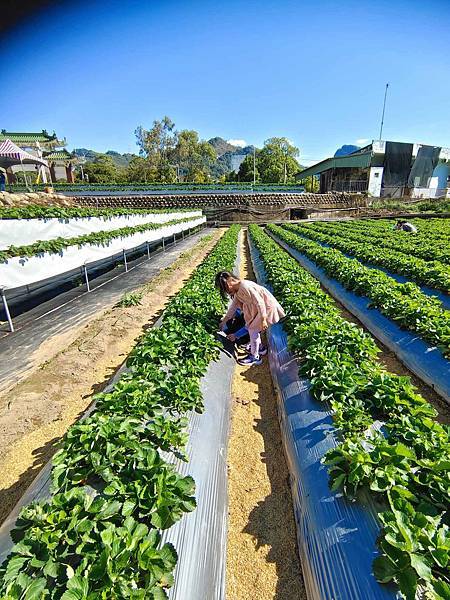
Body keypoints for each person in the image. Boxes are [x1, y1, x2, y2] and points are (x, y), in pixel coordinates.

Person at [215, 271, 285, 366]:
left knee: (253, 330)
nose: (227, 291)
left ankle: (255, 357)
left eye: (226, 287)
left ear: (230, 280)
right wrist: (224, 321)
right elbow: (233, 307)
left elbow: (260, 302)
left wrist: (263, 319)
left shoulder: (245, 286)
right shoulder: (238, 291)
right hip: (258, 310)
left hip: (266, 308)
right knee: (252, 328)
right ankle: (260, 349)